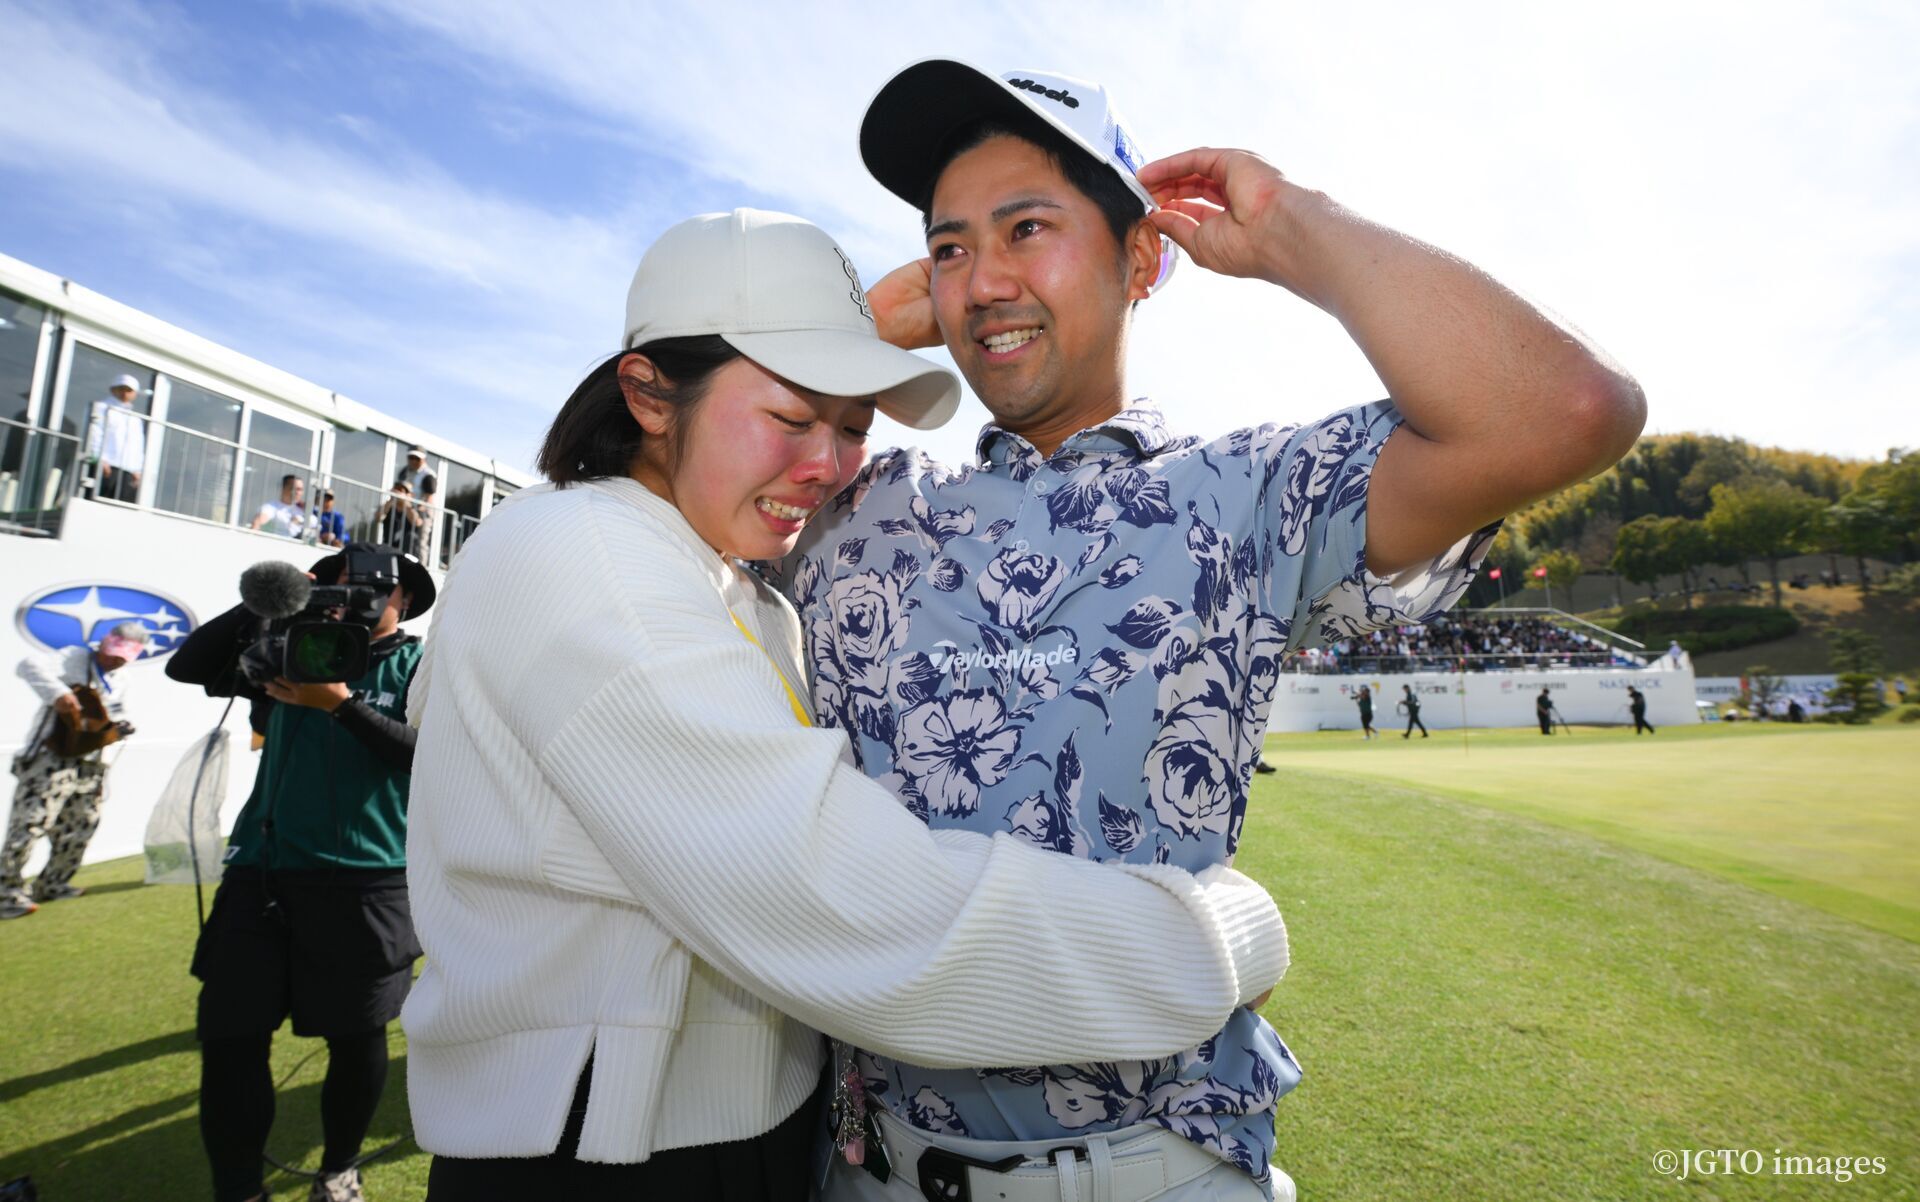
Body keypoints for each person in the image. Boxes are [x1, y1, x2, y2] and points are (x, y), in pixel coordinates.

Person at [780, 58, 1643, 1201]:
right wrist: (856, 335)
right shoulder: (851, 502)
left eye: (1027, 228)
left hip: (1153, 1175)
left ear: (1142, 259)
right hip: (867, 1171)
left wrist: (1295, 227)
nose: (982, 281)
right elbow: (643, 452)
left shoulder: (1245, 492)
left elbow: (1567, 409)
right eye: (948, 247)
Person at [402, 210, 1289, 1201]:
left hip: (740, 1141)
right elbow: (855, 910)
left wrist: (859, 333)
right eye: (790, 418)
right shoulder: (589, 559)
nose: (830, 465)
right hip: (611, 1162)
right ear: (648, 394)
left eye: (854, 424)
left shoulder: (700, 568)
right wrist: (1213, 938)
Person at [168, 544, 434, 1202]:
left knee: (355, 1037)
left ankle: (338, 1167)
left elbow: (432, 758)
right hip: (262, 873)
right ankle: (239, 1190)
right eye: (338, 582)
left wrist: (339, 704)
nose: (355, 595)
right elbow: (188, 664)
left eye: (376, 586)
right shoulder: (281, 646)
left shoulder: (423, 662)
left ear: (405, 600)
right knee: (231, 1036)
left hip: (369, 878)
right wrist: (275, 598)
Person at [2, 623, 147, 919]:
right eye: (113, 652)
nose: (115, 660)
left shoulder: (123, 679)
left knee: (82, 823)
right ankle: (5, 892)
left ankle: (53, 882)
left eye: (123, 656)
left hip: (91, 764)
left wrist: (119, 727)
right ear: (105, 643)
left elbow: (116, 711)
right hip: (50, 757)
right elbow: (28, 665)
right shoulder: (72, 658)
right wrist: (58, 694)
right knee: (29, 823)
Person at [86, 373, 146, 501]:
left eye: (129, 390)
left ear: (134, 394)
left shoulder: (136, 419)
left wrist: (137, 469)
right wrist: (100, 459)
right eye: (121, 389)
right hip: (106, 465)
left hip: (127, 470)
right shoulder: (100, 408)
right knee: (95, 502)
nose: (125, 393)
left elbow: (138, 445)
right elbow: (94, 433)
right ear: (113, 390)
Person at [251, 474, 306, 538]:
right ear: (283, 488)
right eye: (295, 489)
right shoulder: (271, 507)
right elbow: (257, 524)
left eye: (300, 489)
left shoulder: (303, 510)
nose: (298, 493)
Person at [375, 482, 421, 557]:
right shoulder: (388, 507)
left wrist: (405, 501)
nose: (399, 493)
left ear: (411, 495)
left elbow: (417, 522)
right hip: (389, 548)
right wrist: (391, 499)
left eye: (403, 491)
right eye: (397, 489)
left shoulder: (413, 509)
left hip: (407, 551)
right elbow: (378, 518)